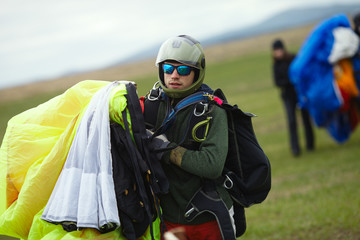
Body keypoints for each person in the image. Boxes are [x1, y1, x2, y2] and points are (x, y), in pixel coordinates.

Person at [143, 35, 231, 240]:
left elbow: (212, 165)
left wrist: (165, 149)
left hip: (207, 218)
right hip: (167, 218)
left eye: (183, 69)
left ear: (196, 72)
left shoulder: (213, 112)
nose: (174, 75)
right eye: (168, 69)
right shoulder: (150, 106)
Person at [271, 39, 314, 156]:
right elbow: (277, 82)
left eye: (279, 49)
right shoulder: (276, 65)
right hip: (287, 96)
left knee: (306, 118)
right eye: (276, 50)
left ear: (283, 49)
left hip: (299, 93)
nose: (278, 52)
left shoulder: (293, 58)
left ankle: (310, 145)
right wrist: (290, 81)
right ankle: (295, 149)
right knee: (292, 121)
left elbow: (301, 71)